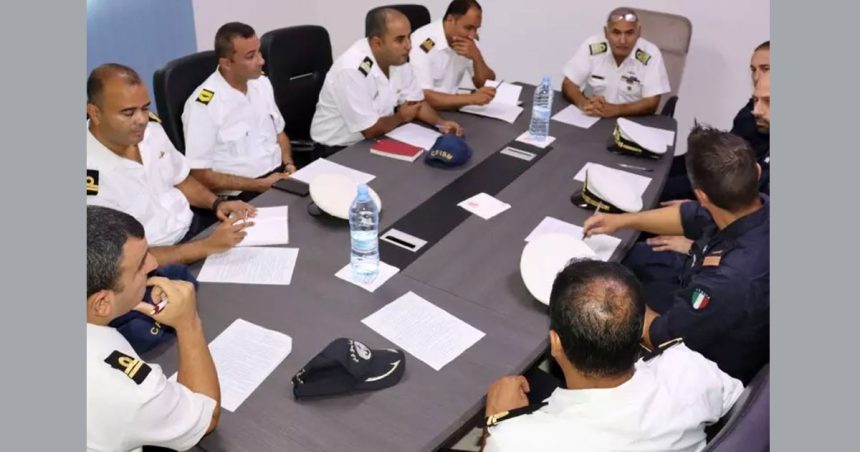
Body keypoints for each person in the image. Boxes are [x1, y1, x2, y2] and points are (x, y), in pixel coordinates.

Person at [483, 259, 743, 452]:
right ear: (639, 330)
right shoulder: (687, 368)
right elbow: (742, 414)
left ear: (556, 343)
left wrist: (498, 421)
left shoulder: (519, 441)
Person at [584, 124, 769, 384]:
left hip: (706, 362)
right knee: (621, 259)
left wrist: (609, 295)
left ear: (701, 195)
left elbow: (662, 337)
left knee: (592, 297)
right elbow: (690, 217)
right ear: (757, 172)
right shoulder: (755, 205)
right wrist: (621, 221)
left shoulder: (728, 281)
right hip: (697, 285)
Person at [86, 63, 254, 266]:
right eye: (128, 113)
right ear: (95, 113)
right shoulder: (90, 176)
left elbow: (180, 179)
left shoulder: (151, 131)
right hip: (155, 261)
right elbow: (121, 261)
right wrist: (205, 247)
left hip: (195, 227)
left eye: (145, 108)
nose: (142, 120)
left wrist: (216, 203)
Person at [87, 205, 220, 451]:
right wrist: (188, 323)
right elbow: (206, 417)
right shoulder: (127, 390)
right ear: (102, 303)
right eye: (140, 265)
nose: (154, 263)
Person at [310, 8, 463, 149]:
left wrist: (441, 124)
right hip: (338, 149)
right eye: (400, 39)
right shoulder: (352, 69)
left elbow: (416, 103)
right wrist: (401, 117)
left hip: (377, 137)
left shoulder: (399, 59)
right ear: (377, 43)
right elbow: (369, 129)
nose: (408, 45)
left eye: (409, 37)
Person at [182, 22, 296, 198]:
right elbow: (201, 175)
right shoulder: (203, 105)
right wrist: (259, 185)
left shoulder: (261, 83)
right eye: (251, 56)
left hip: (279, 177)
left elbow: (279, 133)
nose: (261, 61)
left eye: (259, 52)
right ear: (227, 63)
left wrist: (288, 164)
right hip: (244, 193)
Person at [661, 41, 770, 201]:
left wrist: (695, 209)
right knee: (661, 168)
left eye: (765, 69)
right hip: (716, 163)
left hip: (724, 182)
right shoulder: (755, 104)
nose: (756, 77)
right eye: (753, 70)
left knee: (658, 190)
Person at [561, 7, 670, 118]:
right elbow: (568, 84)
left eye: (629, 33)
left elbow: (652, 102)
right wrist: (584, 104)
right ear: (606, 32)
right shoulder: (592, 46)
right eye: (616, 32)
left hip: (631, 120)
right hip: (592, 117)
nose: (622, 40)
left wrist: (617, 110)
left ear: (638, 32)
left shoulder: (651, 54)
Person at [409, 0, 497, 110]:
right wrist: (472, 98)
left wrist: (477, 57)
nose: (473, 35)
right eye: (468, 28)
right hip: (426, 111)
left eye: (476, 29)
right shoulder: (426, 42)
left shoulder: (469, 41)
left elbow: (485, 84)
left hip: (454, 107)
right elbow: (422, 96)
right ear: (450, 20)